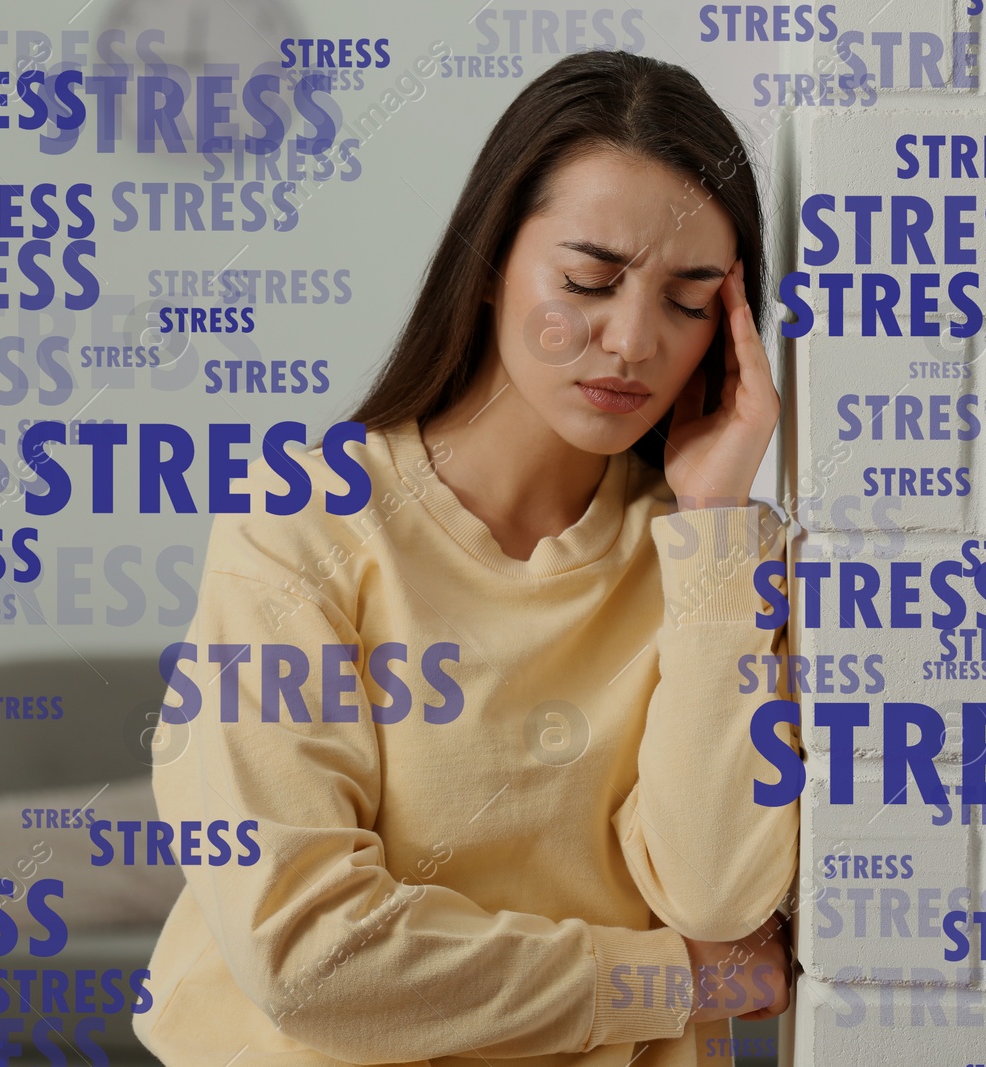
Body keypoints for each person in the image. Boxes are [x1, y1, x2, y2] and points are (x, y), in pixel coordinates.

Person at [134, 49, 799, 1066]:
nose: (631, 339)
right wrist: (678, 977)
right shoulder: (301, 524)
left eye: (687, 299)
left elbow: (713, 891)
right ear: (491, 263)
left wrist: (713, 522)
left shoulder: (710, 561)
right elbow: (308, 956)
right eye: (589, 280)